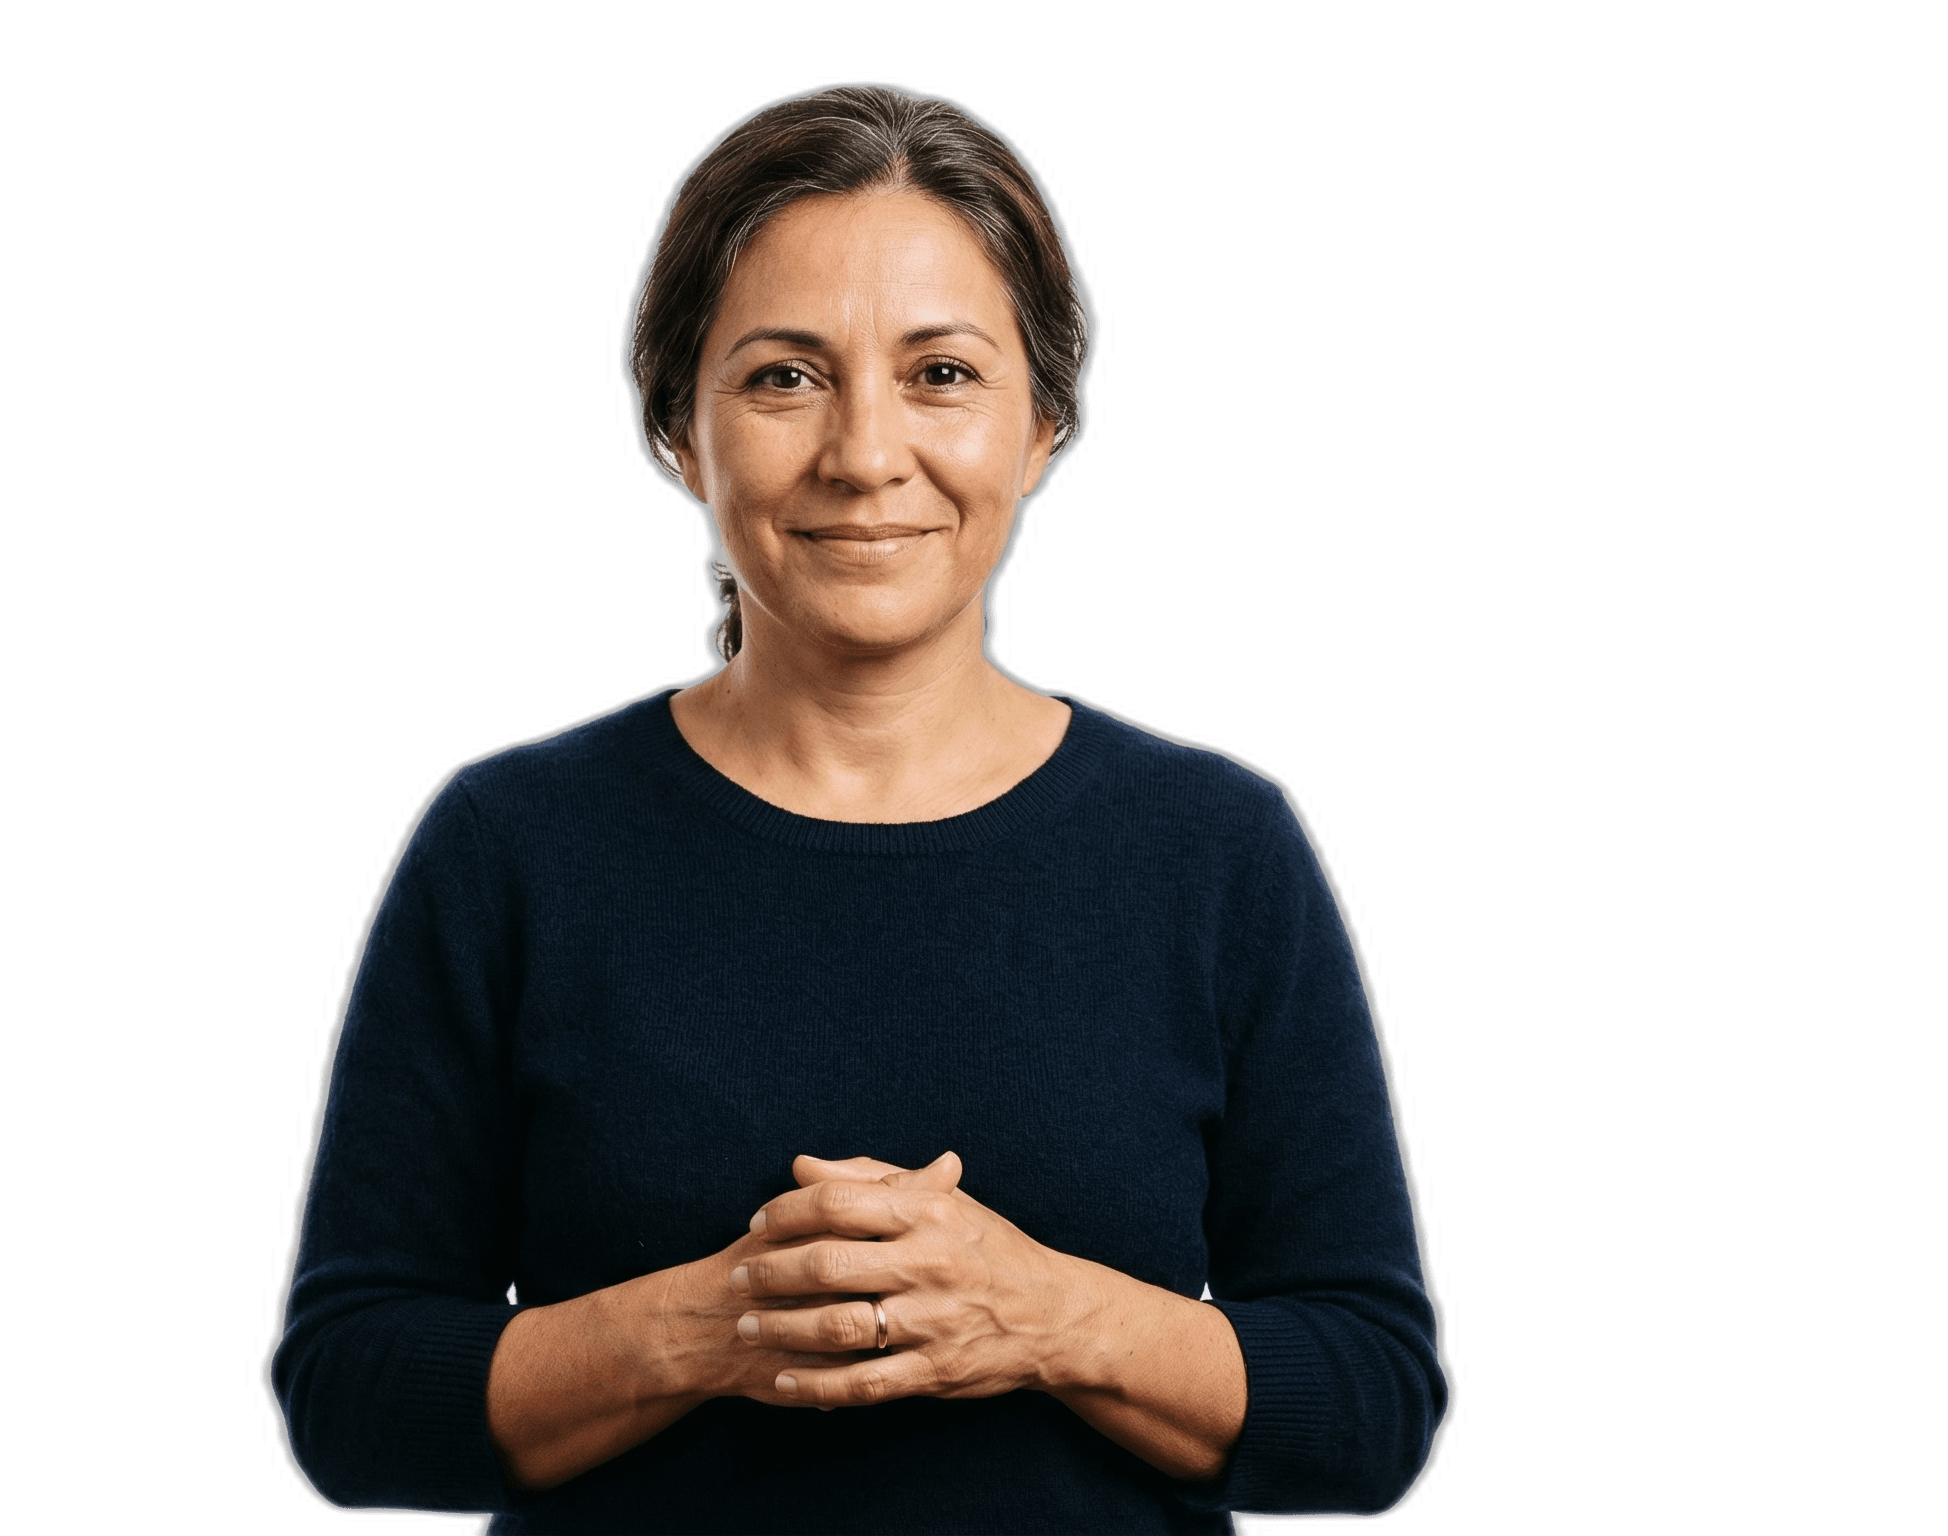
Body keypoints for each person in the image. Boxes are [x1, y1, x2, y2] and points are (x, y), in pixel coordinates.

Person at [264, 82, 1450, 1532]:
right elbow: (347, 1398)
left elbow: (1376, 1409)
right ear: (676, 434)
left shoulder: (1220, 851)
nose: (864, 454)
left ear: (1046, 428)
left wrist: (1042, 1313)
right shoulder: (509, 845)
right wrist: (704, 1329)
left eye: (942, 373)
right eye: (784, 376)